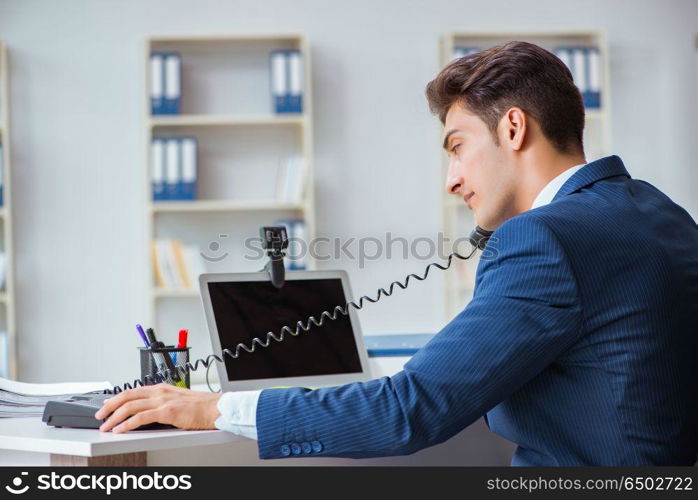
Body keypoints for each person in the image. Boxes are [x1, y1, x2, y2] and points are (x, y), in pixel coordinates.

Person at [95, 41, 698, 466]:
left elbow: (407, 412)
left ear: (513, 129)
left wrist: (209, 408)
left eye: (457, 147)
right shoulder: (662, 214)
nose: (452, 180)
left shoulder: (542, 238)